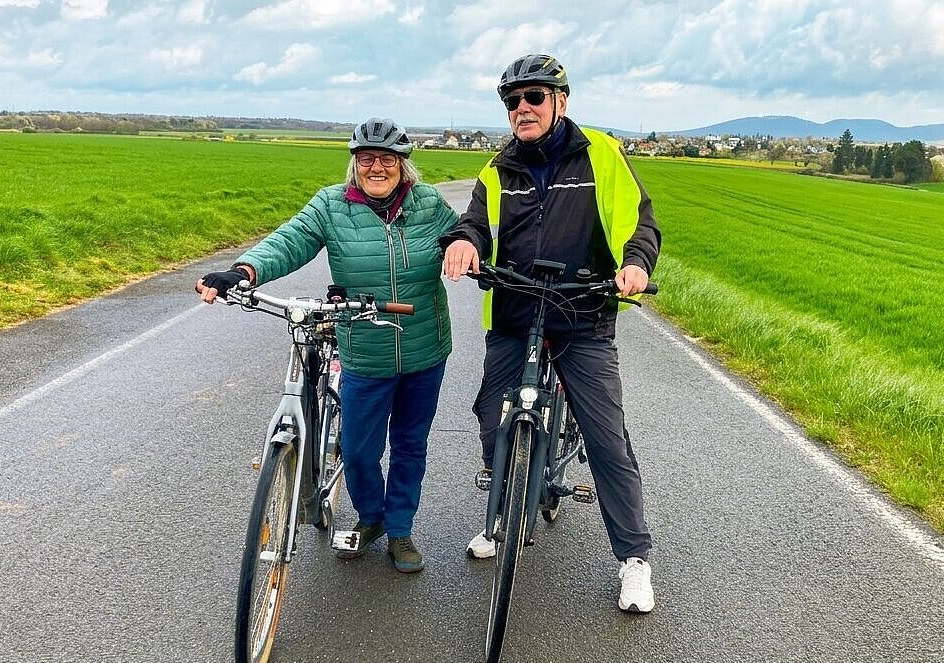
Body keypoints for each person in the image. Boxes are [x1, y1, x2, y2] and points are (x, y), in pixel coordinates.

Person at [440, 54, 661, 612]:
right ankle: (499, 516)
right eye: (512, 102)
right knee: (493, 419)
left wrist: (635, 263)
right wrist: (464, 243)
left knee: (608, 439)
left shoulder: (601, 154)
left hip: (583, 313)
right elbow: (474, 223)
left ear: (561, 101)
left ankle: (634, 559)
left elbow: (640, 221)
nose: (522, 109)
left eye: (533, 97)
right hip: (516, 313)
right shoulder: (498, 170)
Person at [197, 118, 457, 573]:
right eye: (367, 159)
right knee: (357, 448)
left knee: (410, 444)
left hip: (424, 347)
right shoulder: (332, 205)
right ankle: (371, 516)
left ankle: (399, 530)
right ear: (354, 164)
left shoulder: (429, 203)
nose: (377, 167)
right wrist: (245, 270)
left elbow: (466, 238)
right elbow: (290, 240)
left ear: (403, 165)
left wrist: (474, 252)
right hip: (363, 347)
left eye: (387, 159)